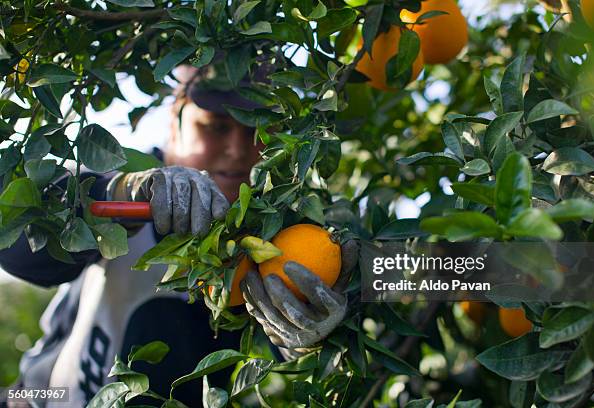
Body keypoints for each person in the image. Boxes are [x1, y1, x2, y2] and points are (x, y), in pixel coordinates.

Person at [0, 64, 352, 407]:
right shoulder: (123, 180)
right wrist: (121, 195)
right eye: (214, 127)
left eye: (256, 133)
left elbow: (392, 285)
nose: (237, 151)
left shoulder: (276, 230)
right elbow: (20, 244)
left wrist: (306, 340)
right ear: (175, 122)